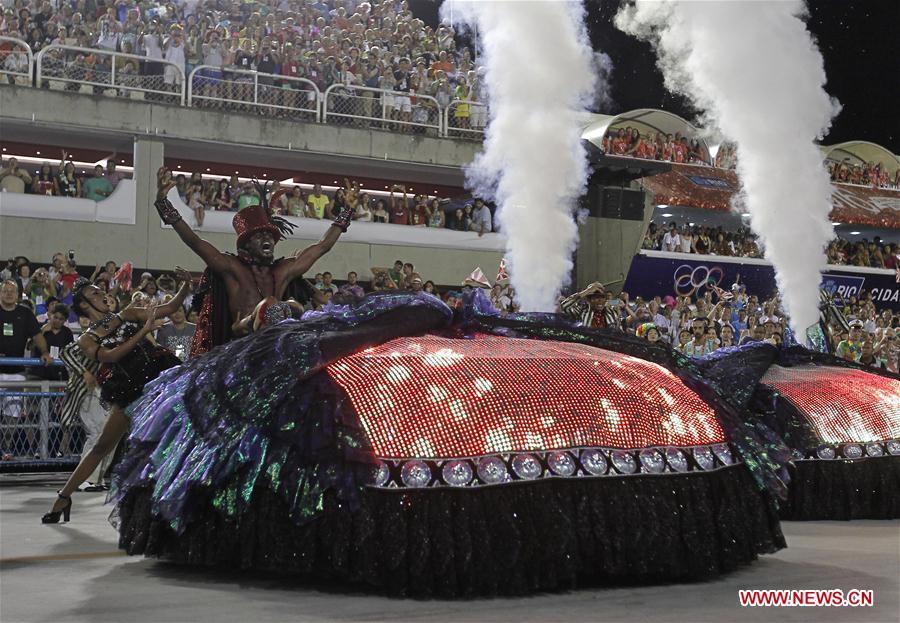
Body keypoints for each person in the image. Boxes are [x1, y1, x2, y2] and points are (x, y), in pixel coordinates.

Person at [154, 168, 353, 356]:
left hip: (275, 344)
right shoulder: (232, 267)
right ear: (246, 244)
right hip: (241, 344)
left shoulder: (283, 270)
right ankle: (256, 318)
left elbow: (322, 246)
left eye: (270, 235)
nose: (267, 239)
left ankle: (276, 315)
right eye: (259, 236)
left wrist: (347, 212)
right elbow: (195, 242)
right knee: (270, 305)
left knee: (291, 305)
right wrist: (164, 203)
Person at [41, 272, 190, 523]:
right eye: (94, 294)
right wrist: (143, 332)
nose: (102, 294)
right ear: (84, 306)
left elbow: (171, 307)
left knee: (176, 434)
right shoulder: (86, 339)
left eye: (100, 291)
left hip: (159, 377)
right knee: (102, 446)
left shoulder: (129, 312)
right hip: (129, 387)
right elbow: (111, 356)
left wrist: (186, 285)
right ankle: (64, 497)